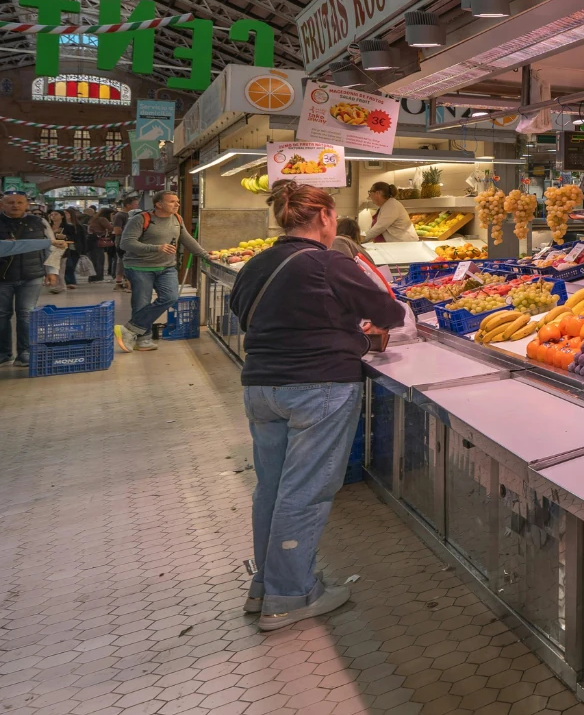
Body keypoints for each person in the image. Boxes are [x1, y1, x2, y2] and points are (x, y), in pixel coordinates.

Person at [232, 182, 405, 629]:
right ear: (326, 217)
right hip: (317, 387)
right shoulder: (329, 263)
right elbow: (388, 312)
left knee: (271, 488)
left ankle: (266, 586)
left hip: (261, 388)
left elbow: (244, 311)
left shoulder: (257, 262)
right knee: (305, 493)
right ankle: (290, 596)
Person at [117, 191, 212, 352]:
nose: (177, 205)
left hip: (167, 267)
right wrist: (157, 248)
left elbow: (187, 239)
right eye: (172, 202)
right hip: (140, 267)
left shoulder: (177, 219)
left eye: (177, 201)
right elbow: (126, 243)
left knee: (170, 297)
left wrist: (205, 256)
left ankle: (130, 330)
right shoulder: (140, 219)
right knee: (141, 303)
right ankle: (143, 340)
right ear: (158, 204)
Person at [0, 191, 56, 366]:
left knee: (26, 314)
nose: (15, 205)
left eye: (19, 202)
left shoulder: (39, 222)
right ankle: (4, 353)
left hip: (32, 276)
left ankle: (25, 352)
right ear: (2, 205)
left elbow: (51, 247)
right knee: (2, 315)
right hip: (2, 278)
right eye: (10, 202)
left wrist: (51, 271)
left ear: (26, 205)